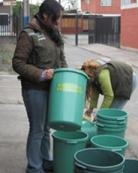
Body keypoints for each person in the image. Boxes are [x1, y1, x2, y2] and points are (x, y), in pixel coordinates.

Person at [12, 0, 67, 172]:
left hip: (52, 89)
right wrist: (41, 74)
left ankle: (45, 160)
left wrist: (65, 74)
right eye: (56, 18)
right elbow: (18, 63)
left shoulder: (54, 32)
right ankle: (34, 167)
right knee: (37, 129)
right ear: (45, 15)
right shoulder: (29, 34)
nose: (58, 22)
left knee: (46, 128)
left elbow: (61, 58)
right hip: (34, 89)